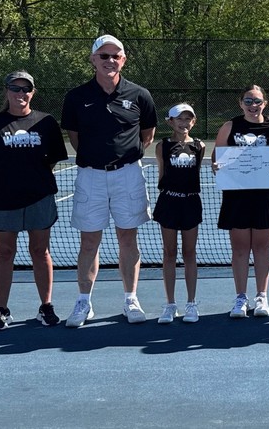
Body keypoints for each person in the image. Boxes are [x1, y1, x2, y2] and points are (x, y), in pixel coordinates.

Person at [61, 35, 157, 327]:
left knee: (128, 238)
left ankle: (130, 298)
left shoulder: (140, 95)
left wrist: (119, 160)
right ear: (93, 60)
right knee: (89, 241)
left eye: (116, 56)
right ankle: (84, 302)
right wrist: (98, 160)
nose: (110, 61)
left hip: (128, 174)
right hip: (90, 175)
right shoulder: (77, 97)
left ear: (124, 60)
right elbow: (74, 138)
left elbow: (147, 135)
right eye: (104, 56)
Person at [0, 71, 68, 330]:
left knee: (40, 251)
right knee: (4, 253)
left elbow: (52, 159)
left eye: (26, 89)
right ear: (6, 91)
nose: (20, 94)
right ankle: (2, 310)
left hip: (40, 197)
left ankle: (46, 306)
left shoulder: (46, 122)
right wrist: (8, 181)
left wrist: (31, 179)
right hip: (3, 200)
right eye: (15, 88)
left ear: (32, 92)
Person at [215, 86, 269, 318]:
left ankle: (261, 297)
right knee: (239, 248)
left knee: (261, 247)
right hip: (237, 195)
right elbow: (216, 157)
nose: (252, 105)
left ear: (265, 104)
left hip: (266, 195)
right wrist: (217, 165)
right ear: (241, 103)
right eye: (248, 101)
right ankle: (240, 298)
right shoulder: (229, 127)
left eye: (257, 101)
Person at [153, 104, 204, 324]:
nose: (184, 123)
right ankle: (170, 304)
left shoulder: (200, 146)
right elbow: (162, 175)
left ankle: (191, 304)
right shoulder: (162, 146)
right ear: (170, 122)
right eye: (179, 119)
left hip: (191, 202)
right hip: (168, 203)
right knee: (169, 252)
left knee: (190, 253)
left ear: (193, 122)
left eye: (188, 119)